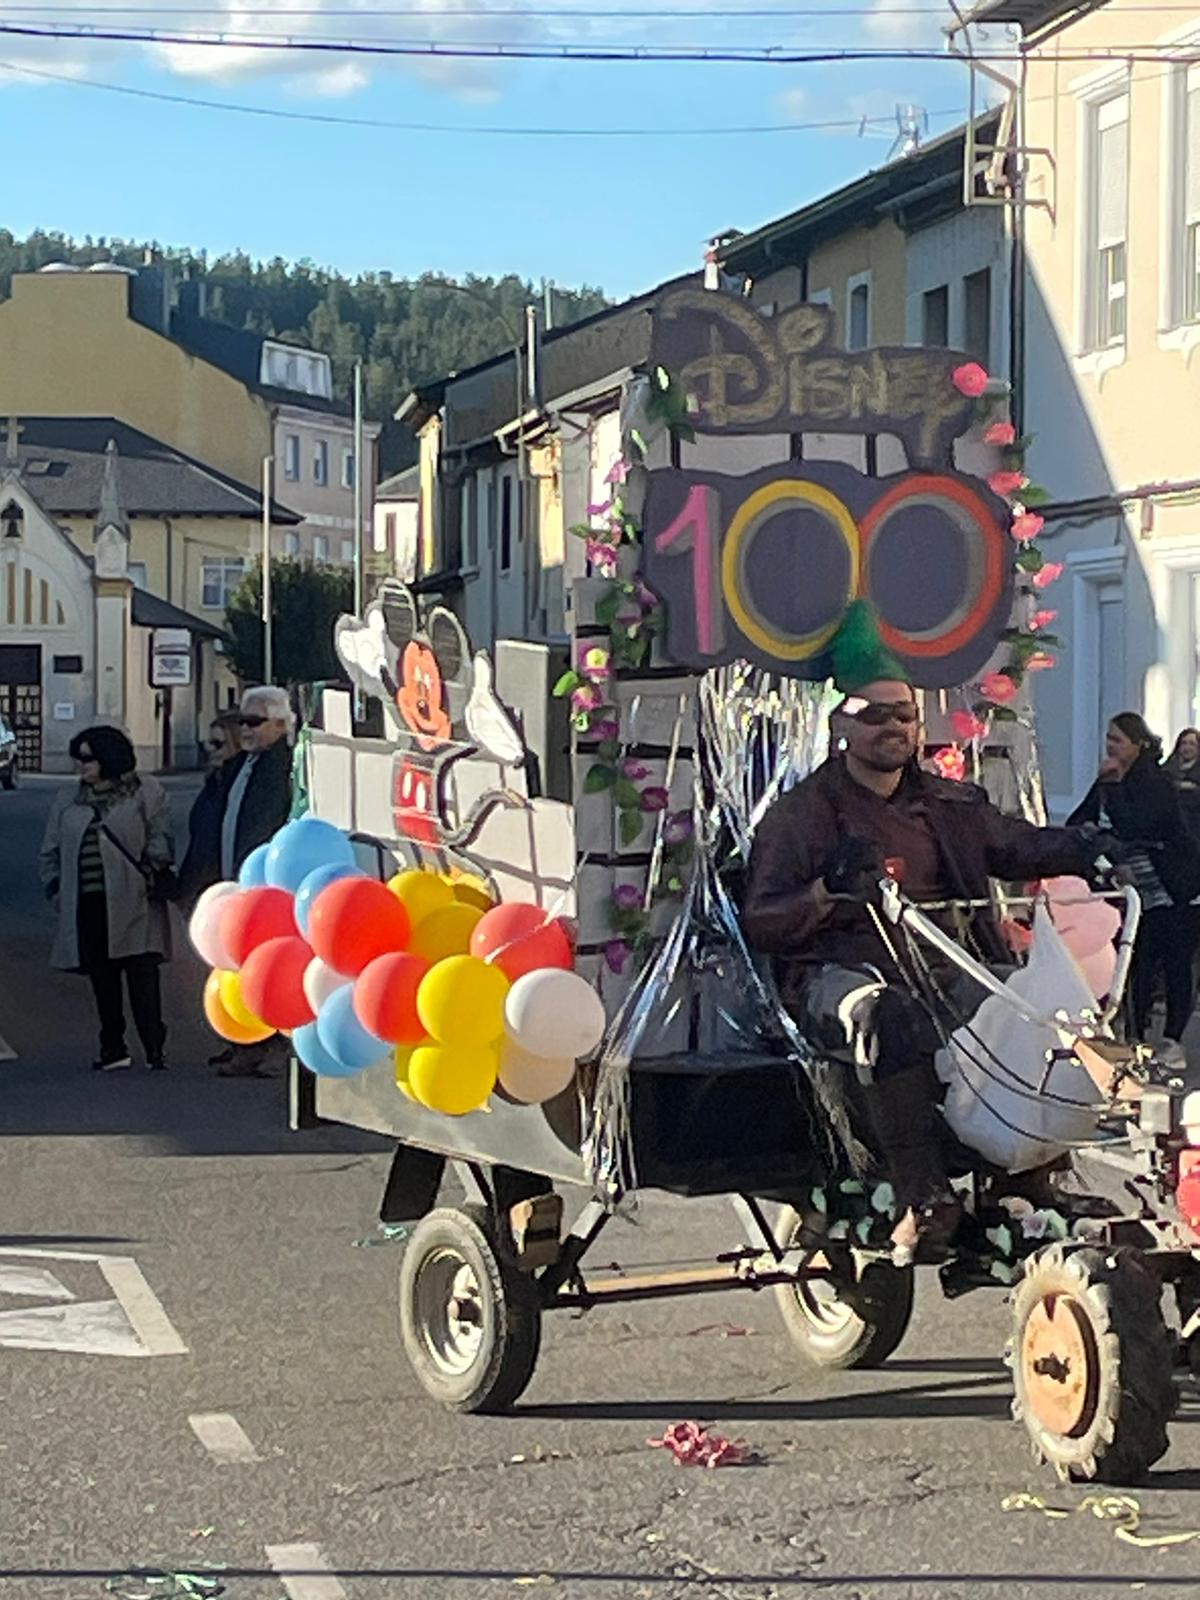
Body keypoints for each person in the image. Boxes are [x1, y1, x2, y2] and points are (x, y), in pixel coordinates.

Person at [742, 609, 1112, 1261]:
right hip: (837, 974)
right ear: (841, 725)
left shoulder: (948, 803)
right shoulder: (799, 816)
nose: (892, 727)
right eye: (874, 714)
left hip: (946, 967)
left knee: (1038, 1015)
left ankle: (1027, 1176)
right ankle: (922, 1196)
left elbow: (1019, 846)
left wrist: (1092, 846)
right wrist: (826, 893)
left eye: (904, 715)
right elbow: (763, 920)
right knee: (883, 1016)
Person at [38, 726, 174, 1071]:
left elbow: (159, 836)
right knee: (103, 978)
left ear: (109, 758)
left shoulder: (144, 791)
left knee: (142, 975)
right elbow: (50, 850)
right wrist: (54, 886)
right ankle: (112, 1047)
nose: (81, 765)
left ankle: (154, 1047)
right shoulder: (67, 800)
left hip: (135, 898)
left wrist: (155, 863)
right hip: (88, 901)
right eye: (78, 758)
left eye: (89, 758)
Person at [1069, 713, 1200, 1065]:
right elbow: (1078, 822)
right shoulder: (1109, 783)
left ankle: (1172, 1040)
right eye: (1108, 738)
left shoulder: (1154, 782)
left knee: (1174, 963)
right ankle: (1135, 1037)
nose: (1109, 746)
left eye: (1117, 740)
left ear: (1137, 745)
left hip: (1172, 886)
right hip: (1133, 890)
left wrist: (1110, 788)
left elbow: (1133, 825)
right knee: (1137, 960)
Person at [212, 686, 295, 1077]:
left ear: (280, 724)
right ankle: (244, 1043)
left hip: (268, 889)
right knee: (236, 967)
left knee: (270, 971)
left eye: (254, 721)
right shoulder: (240, 764)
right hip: (235, 883)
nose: (244, 729)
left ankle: (276, 1048)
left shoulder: (284, 766)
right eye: (241, 720)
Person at [177, 712, 242, 907]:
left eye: (217, 744)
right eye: (208, 744)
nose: (210, 750)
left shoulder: (235, 787)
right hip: (203, 886)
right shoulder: (214, 783)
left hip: (223, 883)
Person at [1166, 728, 1200, 845]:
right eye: (1184, 743)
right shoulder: (1168, 769)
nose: (1187, 747)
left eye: (1192, 744)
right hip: (1171, 829)